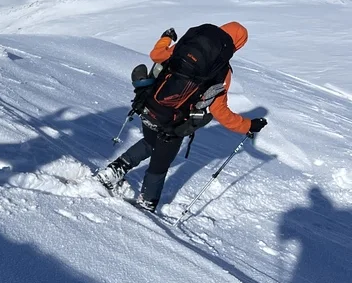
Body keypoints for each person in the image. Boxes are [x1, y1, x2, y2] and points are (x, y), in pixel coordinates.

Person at [98, 22, 267, 211]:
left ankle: (112, 172)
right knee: (160, 164)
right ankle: (146, 204)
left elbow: (156, 56)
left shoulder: (187, 45)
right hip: (175, 122)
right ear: (237, 44)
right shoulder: (221, 70)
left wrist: (166, 38)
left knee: (149, 141)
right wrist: (248, 125)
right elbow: (220, 111)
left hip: (150, 105)